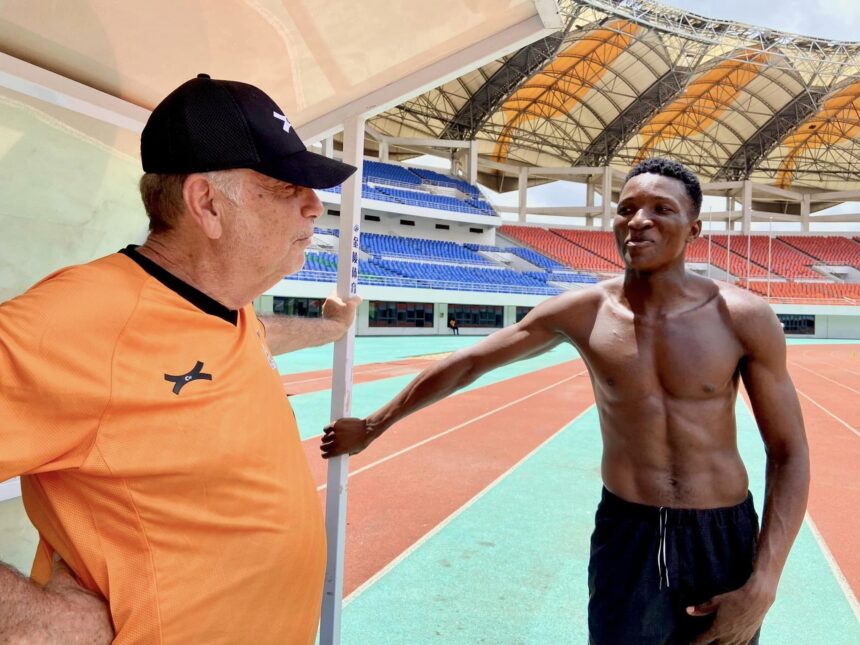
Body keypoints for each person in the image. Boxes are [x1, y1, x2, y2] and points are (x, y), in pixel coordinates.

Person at [322, 158, 810, 644]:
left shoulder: (742, 317)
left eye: (661, 209)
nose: (639, 220)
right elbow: (470, 362)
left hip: (719, 536)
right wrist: (373, 425)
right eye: (627, 208)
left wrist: (764, 582)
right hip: (628, 530)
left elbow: (788, 451)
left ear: (694, 228)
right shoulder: (584, 311)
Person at [0, 74, 361, 644]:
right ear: (207, 203)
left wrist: (332, 328)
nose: (313, 206)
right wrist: (38, 621)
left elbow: (263, 336)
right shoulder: (79, 320)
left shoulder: (228, 308)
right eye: (288, 187)